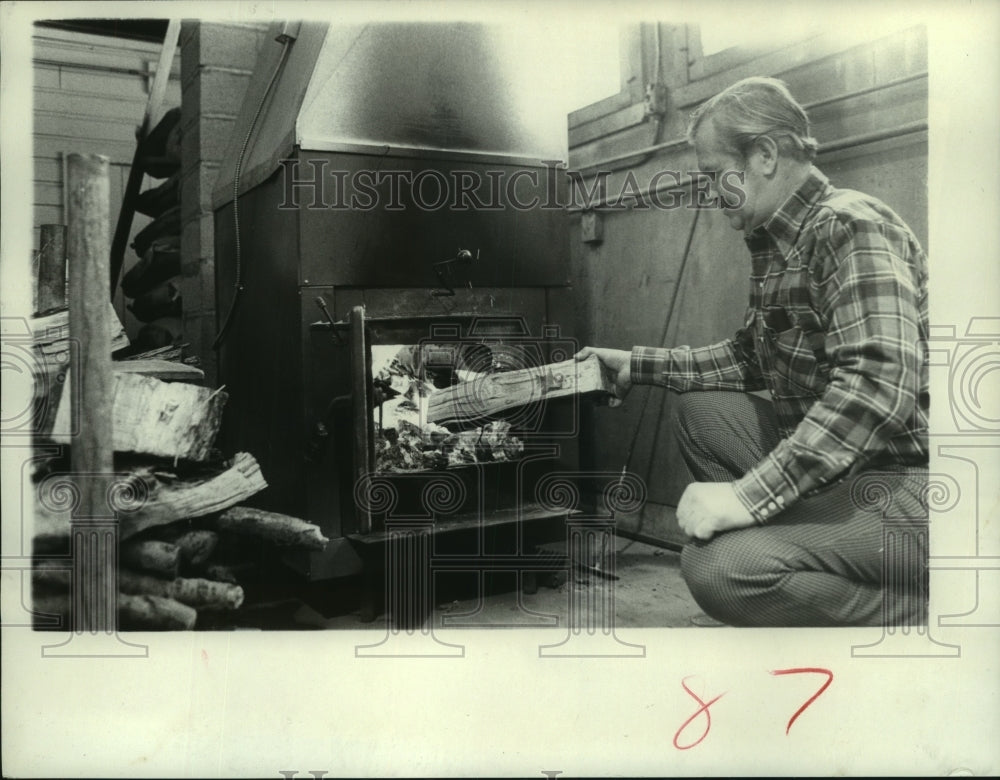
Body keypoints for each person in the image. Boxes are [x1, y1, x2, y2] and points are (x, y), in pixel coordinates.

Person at [575, 76, 929, 627]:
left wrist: (746, 498)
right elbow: (748, 357)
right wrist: (636, 365)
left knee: (719, 569)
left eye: (716, 175)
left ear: (764, 155)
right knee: (703, 413)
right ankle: (807, 550)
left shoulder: (849, 225)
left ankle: (931, 611)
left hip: (916, 487)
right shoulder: (780, 240)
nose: (713, 194)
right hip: (846, 472)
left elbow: (877, 385)